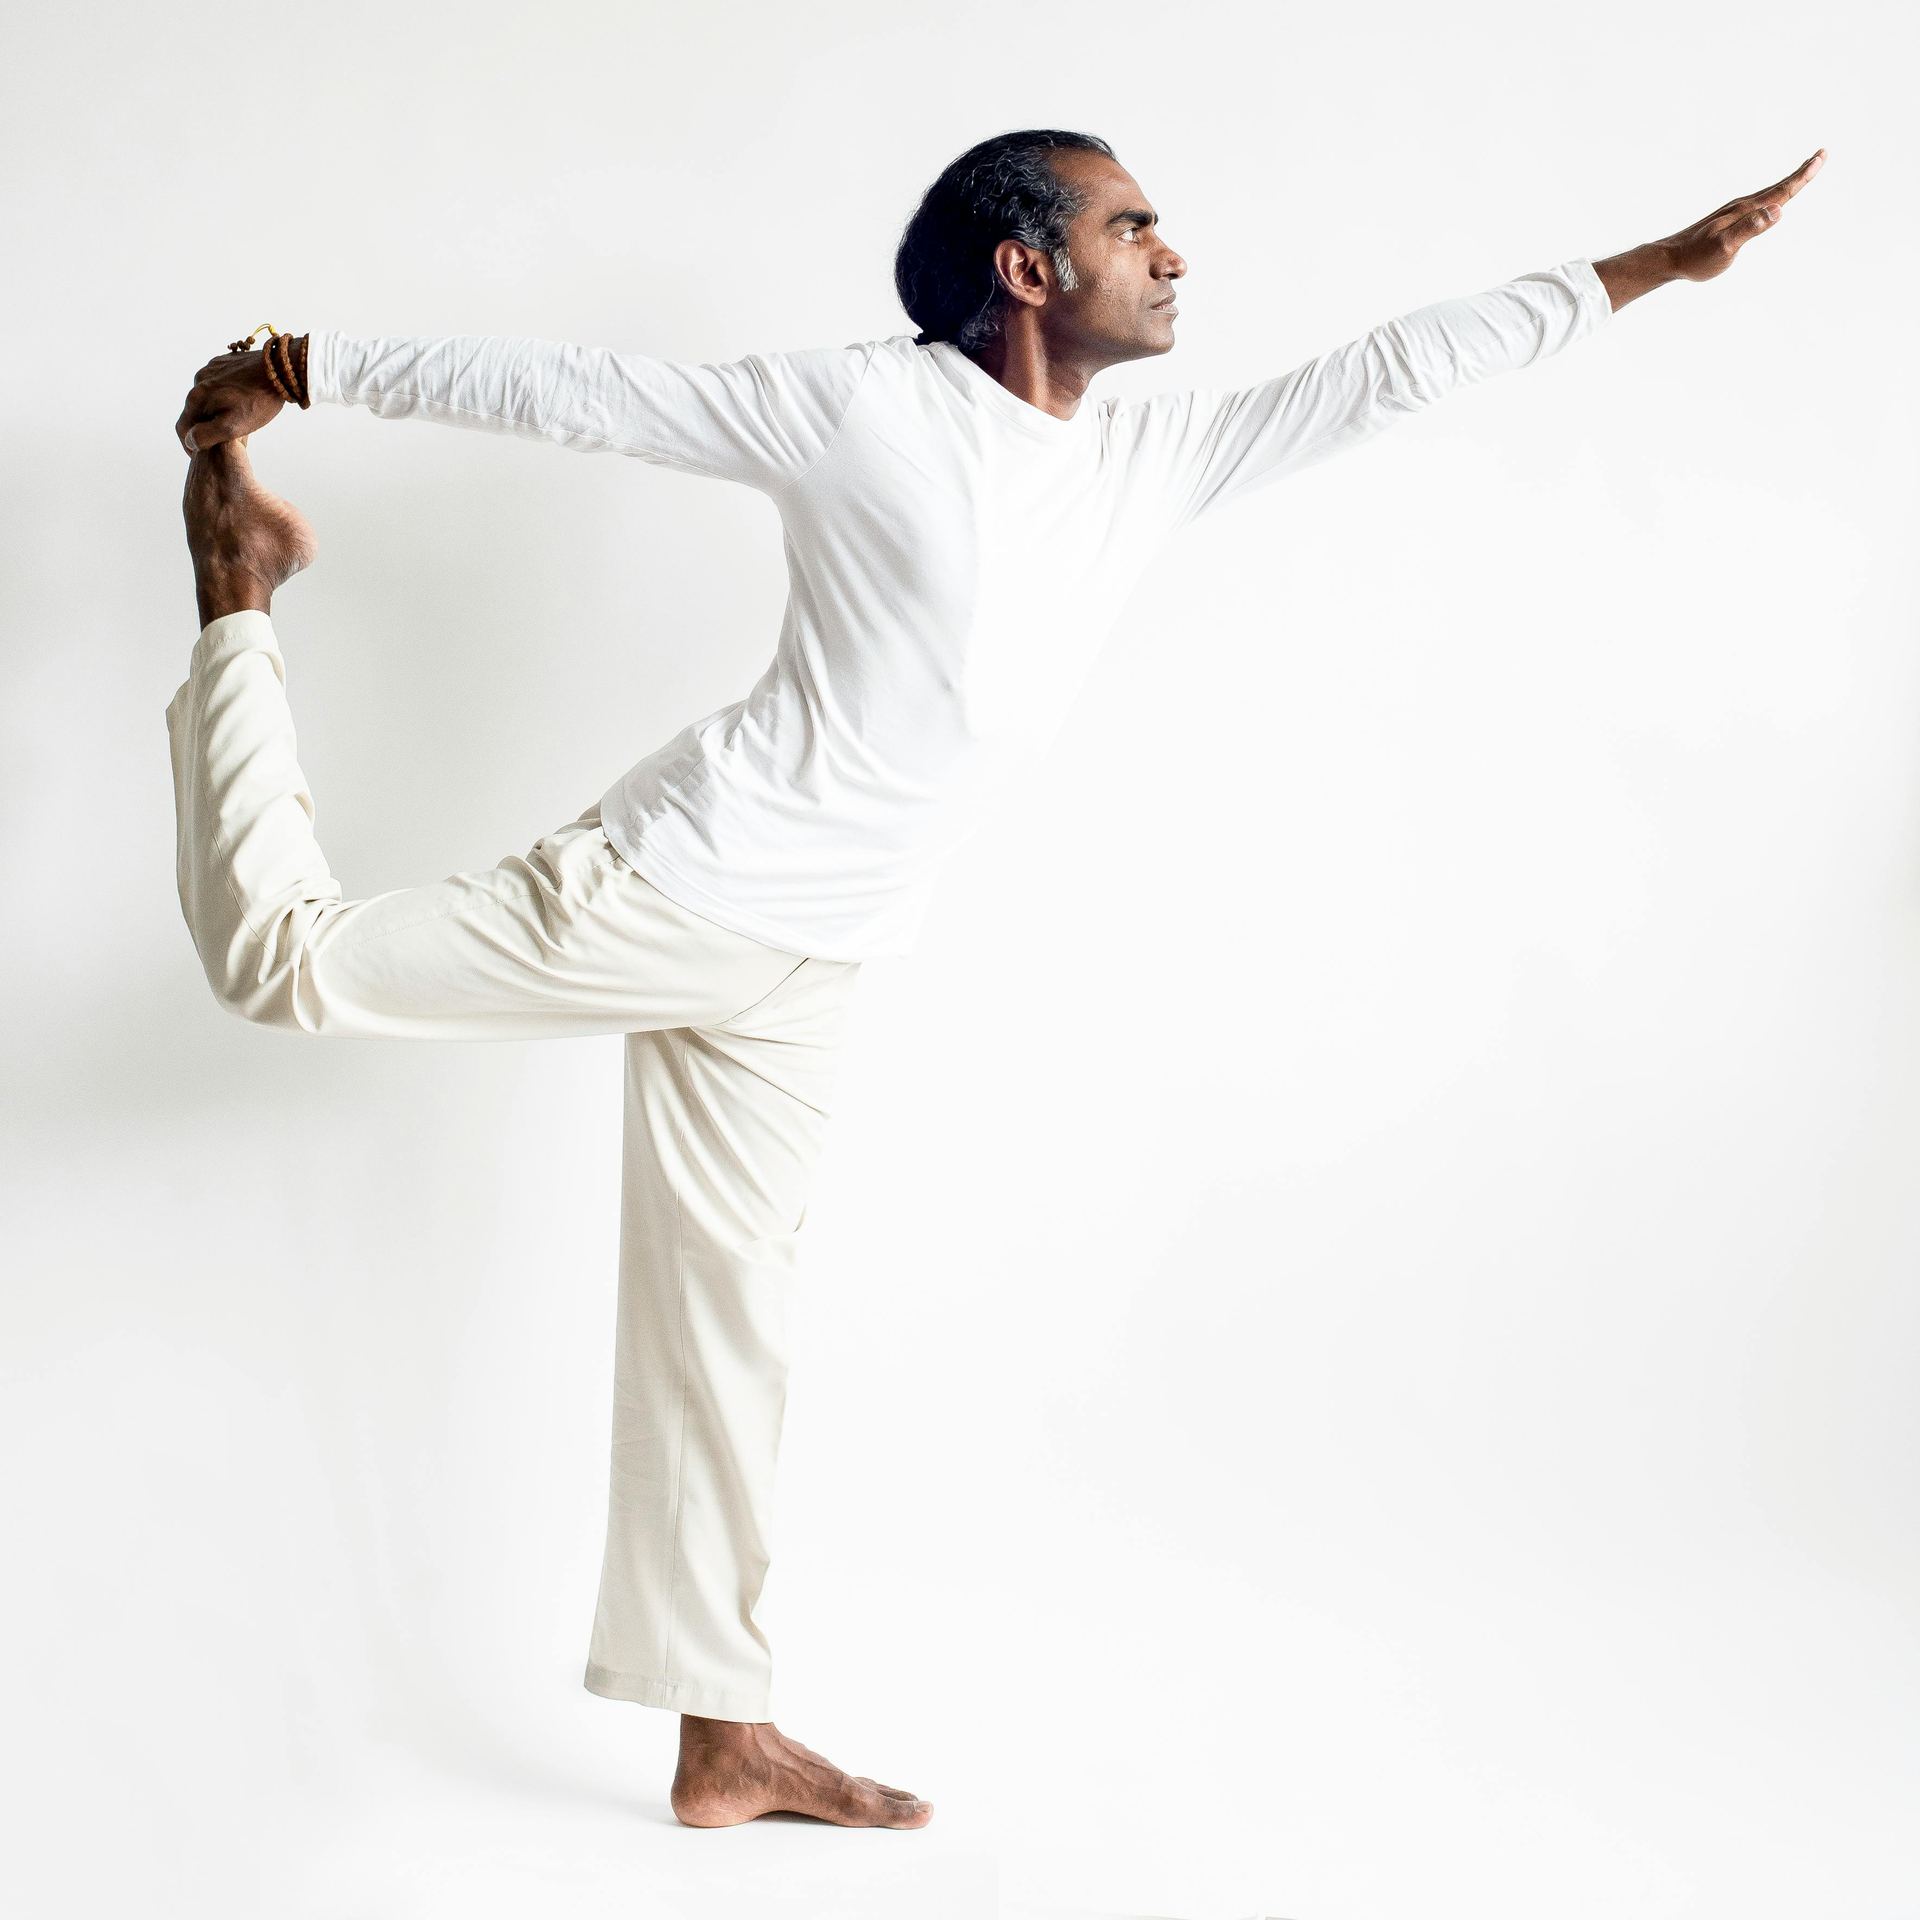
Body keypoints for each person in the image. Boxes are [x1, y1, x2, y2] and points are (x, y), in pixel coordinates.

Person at [169, 131, 1825, 1829]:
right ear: (1026, 270)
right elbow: (595, 393)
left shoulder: (1144, 465)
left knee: (724, 1336)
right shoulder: (865, 413)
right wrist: (311, 364)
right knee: (279, 966)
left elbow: (1395, 368)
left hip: (814, 955)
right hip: (681, 886)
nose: (1173, 255)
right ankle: (238, 596)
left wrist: (1655, 266)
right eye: (1133, 226)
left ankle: (720, 1733)